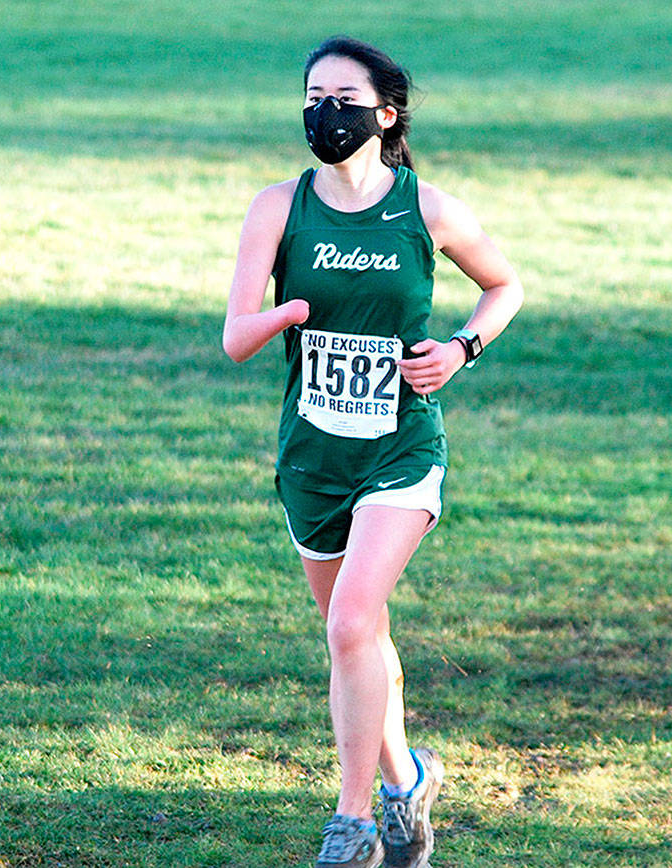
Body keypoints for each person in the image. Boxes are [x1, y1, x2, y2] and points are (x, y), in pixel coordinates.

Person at [222, 35, 523, 868]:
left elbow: (506, 285)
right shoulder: (277, 207)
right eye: (313, 95)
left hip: (401, 445)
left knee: (352, 621)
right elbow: (235, 337)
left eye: (344, 99)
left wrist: (460, 350)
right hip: (313, 456)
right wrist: (289, 316)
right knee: (356, 639)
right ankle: (409, 777)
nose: (325, 111)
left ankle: (354, 824)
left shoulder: (425, 207)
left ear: (384, 115)